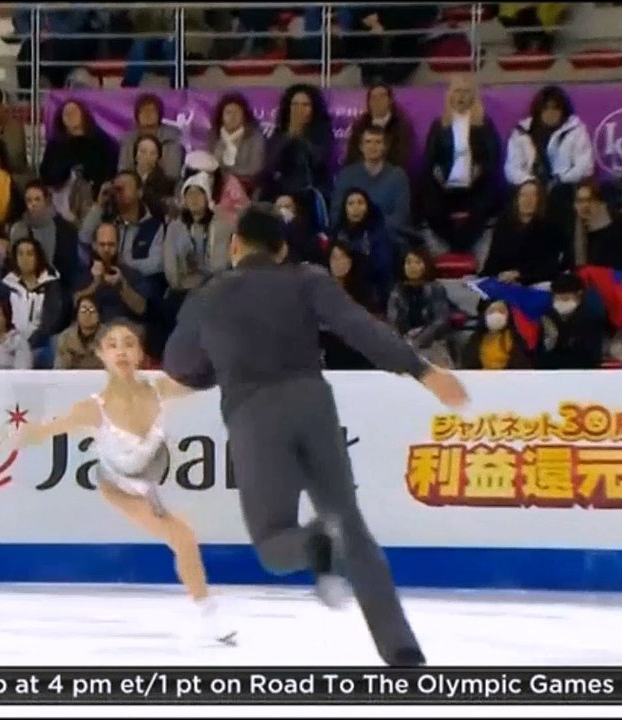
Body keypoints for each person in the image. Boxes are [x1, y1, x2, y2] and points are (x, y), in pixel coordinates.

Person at [158, 204, 468, 666]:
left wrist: (221, 368)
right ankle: (402, 651)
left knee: (273, 543)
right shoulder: (307, 280)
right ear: (281, 249)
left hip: (254, 415)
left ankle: (314, 541)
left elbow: (179, 365)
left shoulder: (210, 295)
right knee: (355, 531)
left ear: (234, 244)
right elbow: (362, 329)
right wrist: (422, 370)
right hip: (313, 406)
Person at [0, 319, 238, 645]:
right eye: (112, 345)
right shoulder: (92, 409)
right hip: (118, 485)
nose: (121, 351)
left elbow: (211, 381)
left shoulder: (161, 387)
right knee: (182, 536)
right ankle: (211, 617)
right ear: (100, 354)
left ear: (141, 353)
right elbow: (36, 431)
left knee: (184, 538)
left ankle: (208, 614)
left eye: (129, 343)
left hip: (151, 473)